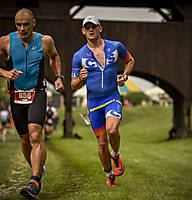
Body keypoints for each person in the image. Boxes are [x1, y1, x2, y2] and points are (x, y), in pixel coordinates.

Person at [0, 8, 64, 199]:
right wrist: (5, 73)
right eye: (18, 25)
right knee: (25, 140)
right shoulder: (5, 42)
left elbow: (55, 57)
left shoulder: (45, 41)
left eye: (26, 24)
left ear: (33, 23)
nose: (22, 28)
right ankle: (39, 168)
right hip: (16, 95)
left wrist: (58, 77)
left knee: (36, 136)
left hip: (37, 93)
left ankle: (34, 181)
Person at [71, 15, 135, 186]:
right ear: (83, 31)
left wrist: (125, 76)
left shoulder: (115, 47)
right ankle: (109, 174)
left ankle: (115, 155)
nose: (91, 29)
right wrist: (81, 79)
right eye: (87, 27)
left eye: (94, 26)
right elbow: (73, 85)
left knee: (112, 130)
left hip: (112, 96)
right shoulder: (78, 56)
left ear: (100, 28)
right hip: (93, 103)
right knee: (101, 143)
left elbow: (130, 61)